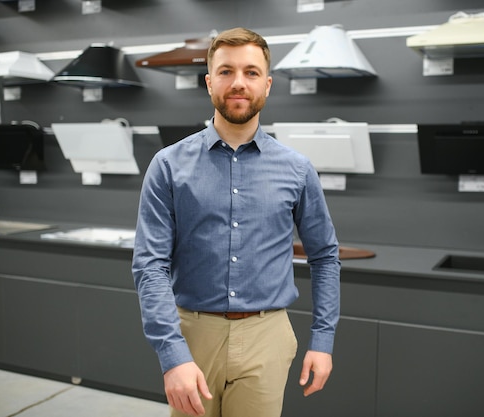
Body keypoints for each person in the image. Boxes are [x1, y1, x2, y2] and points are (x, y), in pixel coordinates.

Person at [132, 27, 341, 417]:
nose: (238, 83)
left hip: (268, 335)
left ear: (267, 84)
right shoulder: (168, 165)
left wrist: (323, 340)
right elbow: (150, 266)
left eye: (250, 72)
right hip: (192, 334)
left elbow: (325, 257)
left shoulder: (296, 169)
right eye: (226, 72)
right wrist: (172, 354)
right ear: (210, 82)